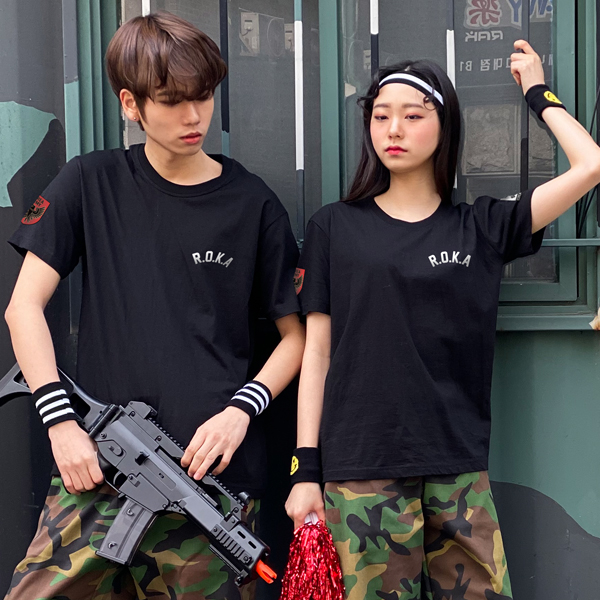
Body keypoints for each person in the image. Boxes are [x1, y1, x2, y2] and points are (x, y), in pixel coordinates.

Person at [3, 11, 304, 600]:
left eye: (203, 96)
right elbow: (22, 308)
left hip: (211, 487)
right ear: (131, 103)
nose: (194, 116)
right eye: (171, 101)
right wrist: (60, 422)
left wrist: (241, 411)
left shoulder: (252, 204)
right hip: (95, 470)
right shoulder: (90, 182)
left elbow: (296, 335)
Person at [285, 40, 600, 600]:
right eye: (381, 116)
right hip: (361, 469)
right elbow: (317, 353)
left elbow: (591, 165)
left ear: (444, 125)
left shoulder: (480, 227)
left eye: (413, 115)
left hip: (458, 468)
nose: (394, 129)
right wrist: (305, 469)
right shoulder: (334, 227)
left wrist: (536, 92)